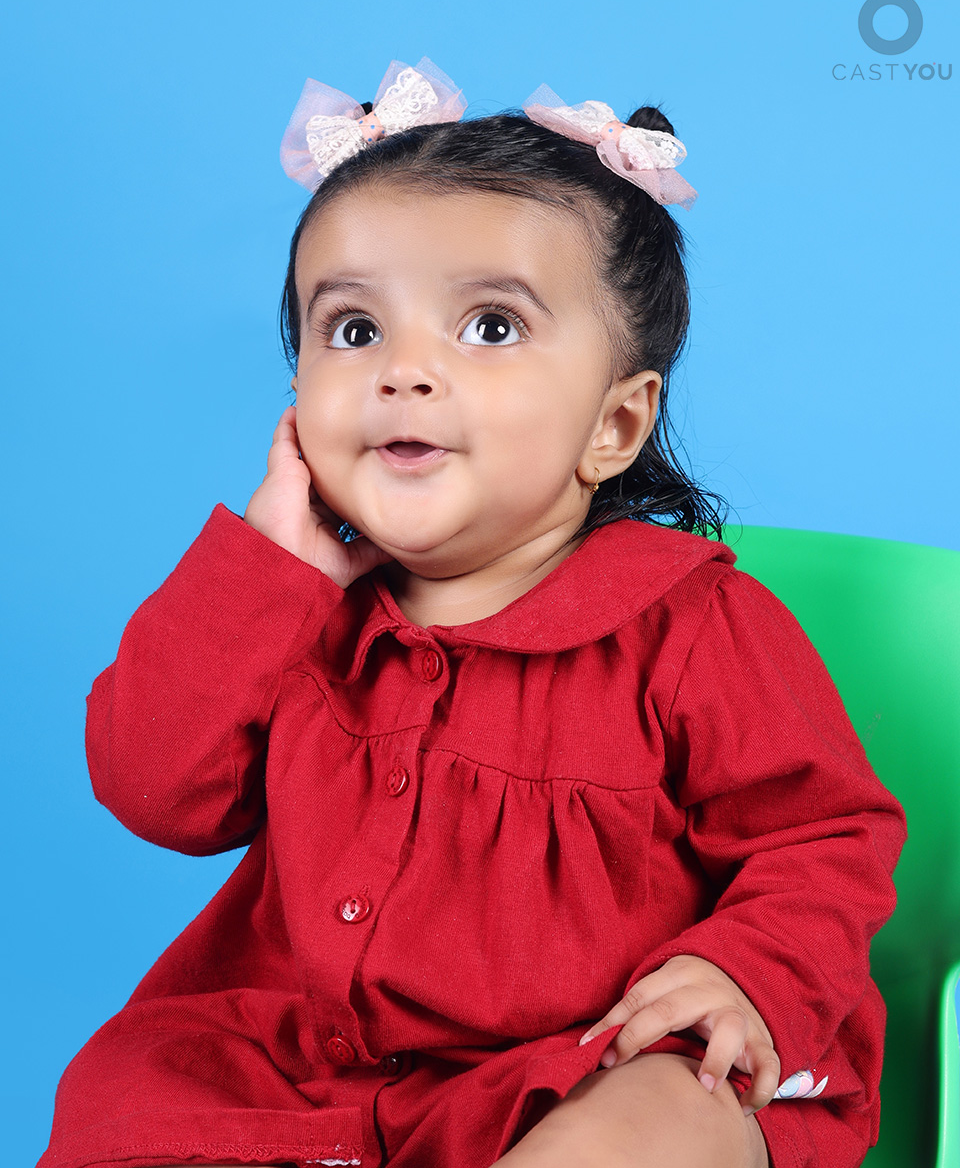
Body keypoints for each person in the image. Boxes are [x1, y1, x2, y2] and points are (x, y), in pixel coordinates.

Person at [37, 59, 906, 1168]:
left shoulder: (692, 624)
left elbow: (823, 838)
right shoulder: (289, 614)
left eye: (490, 327)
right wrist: (265, 570)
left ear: (614, 425)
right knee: (130, 1091)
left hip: (577, 1061)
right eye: (354, 330)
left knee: (670, 1107)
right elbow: (155, 789)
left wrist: (745, 969)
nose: (404, 371)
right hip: (308, 1077)